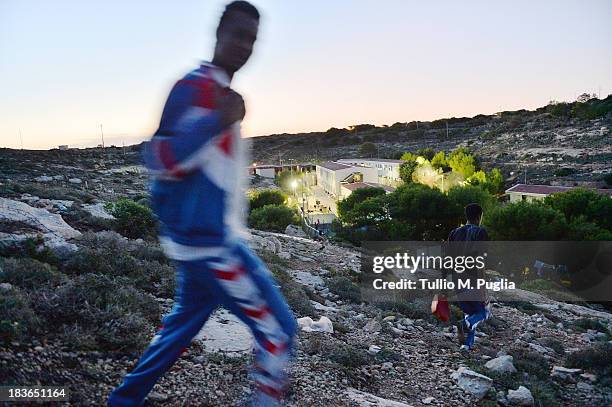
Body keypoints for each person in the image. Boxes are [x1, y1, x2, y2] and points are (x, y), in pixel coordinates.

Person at [107, 2, 297, 406]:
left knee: (177, 331)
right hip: (211, 247)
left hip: (201, 243)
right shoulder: (196, 89)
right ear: (218, 33)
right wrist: (216, 120)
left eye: (252, 39)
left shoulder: (222, 94)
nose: (245, 46)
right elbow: (160, 159)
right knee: (280, 332)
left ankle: (123, 401)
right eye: (239, 34)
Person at [446, 203, 491, 351]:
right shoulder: (480, 233)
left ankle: (467, 345)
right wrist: (483, 287)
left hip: (457, 279)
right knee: (483, 312)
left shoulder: (454, 233)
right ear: (479, 217)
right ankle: (464, 326)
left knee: (469, 313)